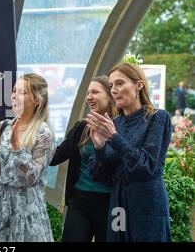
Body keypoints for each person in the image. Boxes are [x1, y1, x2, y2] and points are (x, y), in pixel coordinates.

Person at [86, 62, 172, 242]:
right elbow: (100, 176)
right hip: (118, 205)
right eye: (111, 86)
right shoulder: (115, 123)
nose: (114, 90)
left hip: (147, 202)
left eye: (119, 83)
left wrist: (114, 138)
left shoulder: (158, 117)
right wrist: (100, 148)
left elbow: (146, 166)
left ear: (139, 85)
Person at [0, 73, 55, 242]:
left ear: (37, 100)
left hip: (27, 220)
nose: (14, 96)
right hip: (0, 218)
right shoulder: (5, 125)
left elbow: (30, 178)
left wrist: (17, 147)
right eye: (13, 90)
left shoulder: (44, 133)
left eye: (22, 92)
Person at [50, 76, 114, 242]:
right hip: (80, 202)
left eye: (95, 92)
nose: (89, 97)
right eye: (87, 93)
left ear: (110, 95)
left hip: (111, 204)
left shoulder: (120, 127)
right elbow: (55, 156)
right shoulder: (81, 127)